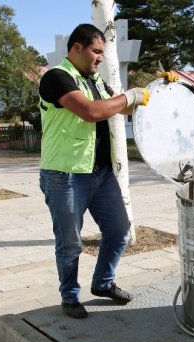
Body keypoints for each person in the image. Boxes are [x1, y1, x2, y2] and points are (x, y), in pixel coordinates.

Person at [38, 23, 178, 319]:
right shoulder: (57, 78)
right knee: (70, 242)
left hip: (100, 174)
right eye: (96, 51)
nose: (100, 58)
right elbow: (91, 111)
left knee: (119, 230)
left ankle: (102, 283)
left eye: (102, 52)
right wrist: (131, 96)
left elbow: (123, 107)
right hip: (65, 175)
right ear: (77, 48)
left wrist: (155, 89)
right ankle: (70, 297)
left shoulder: (95, 80)